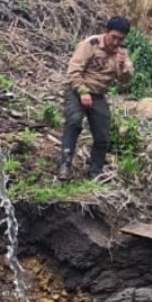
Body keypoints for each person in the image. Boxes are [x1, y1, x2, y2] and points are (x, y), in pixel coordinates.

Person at [60, 16, 134, 180]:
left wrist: (122, 66)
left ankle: (95, 171)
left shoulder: (121, 52)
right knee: (74, 121)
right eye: (113, 37)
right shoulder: (90, 44)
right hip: (77, 89)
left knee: (102, 135)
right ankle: (65, 164)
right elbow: (73, 70)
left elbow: (125, 81)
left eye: (120, 39)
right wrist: (83, 91)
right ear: (106, 32)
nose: (115, 42)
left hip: (98, 95)